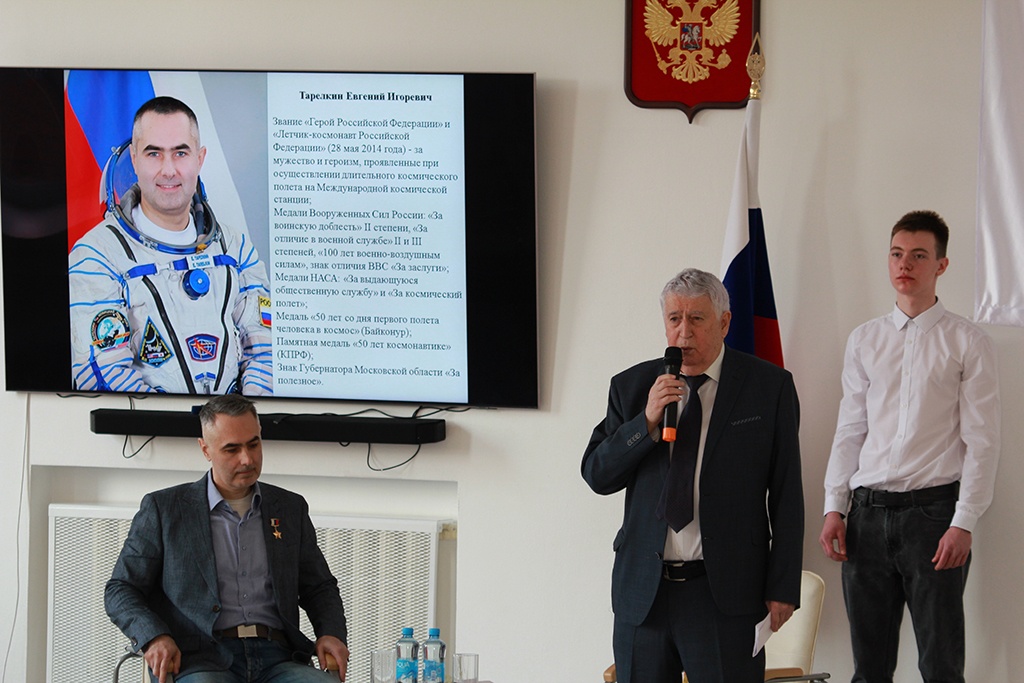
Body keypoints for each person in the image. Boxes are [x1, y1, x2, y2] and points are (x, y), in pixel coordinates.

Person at [582, 268, 804, 683]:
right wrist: (645, 423)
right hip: (644, 594)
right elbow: (597, 475)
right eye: (674, 319)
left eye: (697, 319)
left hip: (724, 594)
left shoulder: (768, 387)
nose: (683, 333)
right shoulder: (632, 386)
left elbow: (787, 493)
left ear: (724, 322)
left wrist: (783, 586)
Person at [819, 210, 1000, 683]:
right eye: (897, 254)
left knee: (941, 668)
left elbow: (982, 440)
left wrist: (964, 521)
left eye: (919, 255)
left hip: (934, 519)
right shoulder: (865, 340)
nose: (905, 264)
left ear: (941, 265)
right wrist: (834, 506)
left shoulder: (968, 342)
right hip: (866, 516)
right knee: (868, 670)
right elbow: (850, 429)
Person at [105, 394, 348, 683]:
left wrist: (331, 633)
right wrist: (154, 636)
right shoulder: (165, 509)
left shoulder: (289, 508)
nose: (247, 459)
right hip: (201, 659)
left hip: (279, 657)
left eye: (254, 444)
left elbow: (319, 587)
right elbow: (121, 589)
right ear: (205, 449)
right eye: (232, 449)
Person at [69, 96, 272, 395]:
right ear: (134, 159)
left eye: (180, 153)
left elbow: (265, 352)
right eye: (154, 153)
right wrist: (169, 419)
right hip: (144, 423)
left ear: (200, 159)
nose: (168, 170)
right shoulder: (97, 256)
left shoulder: (235, 249)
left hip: (232, 422)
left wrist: (239, 416)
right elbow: (103, 374)